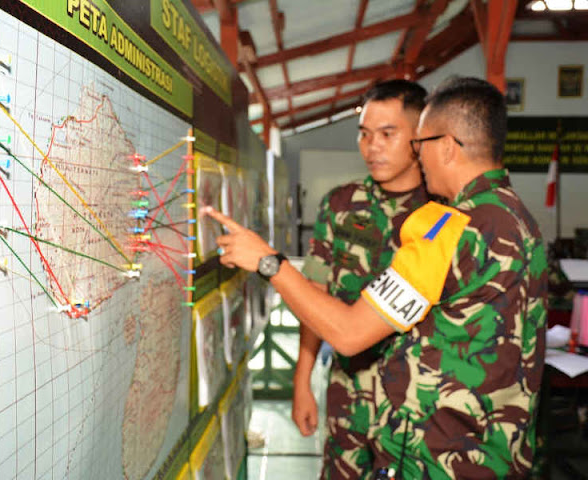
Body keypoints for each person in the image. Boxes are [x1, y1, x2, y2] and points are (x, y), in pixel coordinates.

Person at [204, 76, 546, 478]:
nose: (418, 155)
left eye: (419, 143)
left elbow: (349, 333)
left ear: (448, 147)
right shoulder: (518, 218)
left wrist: (268, 262)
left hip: (437, 456)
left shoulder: (449, 226)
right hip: (494, 452)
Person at [293, 80, 429, 479]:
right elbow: (314, 297)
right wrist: (302, 380)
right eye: (365, 134)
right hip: (347, 395)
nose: (373, 146)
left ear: (419, 136)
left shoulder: (442, 213)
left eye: (388, 134)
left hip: (416, 409)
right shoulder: (340, 204)